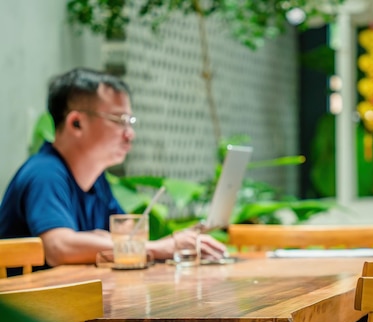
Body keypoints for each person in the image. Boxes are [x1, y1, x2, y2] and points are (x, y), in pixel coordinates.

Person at [0, 68, 227, 268]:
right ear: (76, 123)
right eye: (119, 120)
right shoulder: (45, 174)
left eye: (130, 122)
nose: (130, 134)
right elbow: (59, 247)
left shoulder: (96, 179)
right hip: (31, 313)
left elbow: (126, 233)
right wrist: (157, 248)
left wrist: (177, 241)